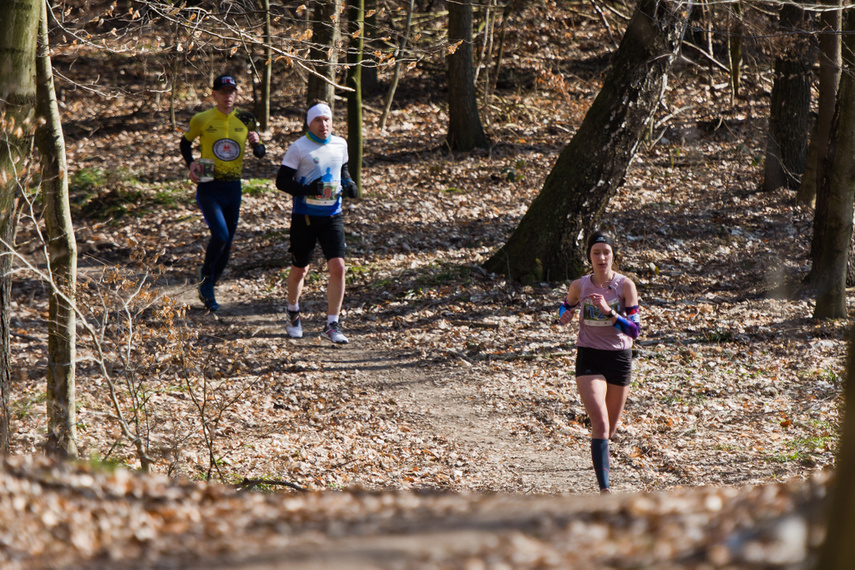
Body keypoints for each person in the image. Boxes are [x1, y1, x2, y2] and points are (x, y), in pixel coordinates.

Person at [558, 230, 641, 494]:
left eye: (606, 252)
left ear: (613, 256)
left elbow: (634, 330)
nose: (601, 257)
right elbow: (565, 307)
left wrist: (610, 312)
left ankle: (600, 460)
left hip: (619, 358)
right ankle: (604, 490)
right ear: (589, 257)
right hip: (589, 355)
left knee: (611, 429)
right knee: (601, 423)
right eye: (596, 253)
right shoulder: (580, 285)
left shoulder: (625, 286)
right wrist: (564, 315)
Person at [180, 73, 266, 311]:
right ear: (214, 95)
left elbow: (260, 153)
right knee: (220, 235)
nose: (228, 96)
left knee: (227, 245)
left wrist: (257, 143)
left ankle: (209, 287)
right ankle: (206, 277)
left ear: (236, 94)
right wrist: (191, 164)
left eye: (232, 92)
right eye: (223, 92)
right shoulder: (202, 119)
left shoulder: (246, 119)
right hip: (209, 185)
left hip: (233, 186)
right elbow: (184, 143)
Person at [275, 100, 359, 344]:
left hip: (333, 215)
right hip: (305, 217)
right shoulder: (299, 148)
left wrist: (350, 184)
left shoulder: (340, 144)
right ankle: (292, 312)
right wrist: (306, 189)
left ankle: (332, 324)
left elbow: (343, 171)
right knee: (300, 268)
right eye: (318, 120)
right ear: (309, 123)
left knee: (339, 267)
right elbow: (281, 181)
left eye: (327, 119)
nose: (324, 125)